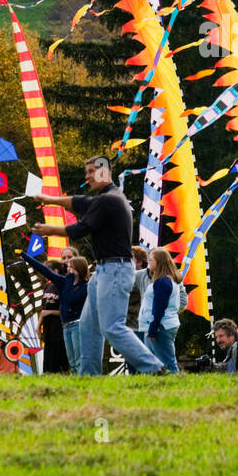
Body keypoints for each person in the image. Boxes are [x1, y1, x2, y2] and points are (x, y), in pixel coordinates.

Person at [30, 157, 164, 375]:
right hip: (103, 270)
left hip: (115, 270)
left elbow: (80, 228)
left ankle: (155, 367)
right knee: (88, 326)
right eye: (87, 172)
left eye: (92, 171)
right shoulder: (105, 198)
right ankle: (89, 377)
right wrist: (48, 198)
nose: (87, 176)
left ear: (105, 172)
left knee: (112, 327)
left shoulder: (109, 200)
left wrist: (50, 230)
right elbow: (78, 201)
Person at [29, 255, 88, 374]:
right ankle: (76, 384)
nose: (68, 269)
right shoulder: (64, 282)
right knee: (72, 360)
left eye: (72, 267)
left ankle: (82, 382)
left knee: (78, 359)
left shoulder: (85, 287)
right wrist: (25, 257)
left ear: (79, 270)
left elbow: (78, 302)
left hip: (77, 325)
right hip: (65, 325)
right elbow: (44, 270)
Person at [140, 248, 184, 374]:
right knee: (154, 363)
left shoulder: (163, 282)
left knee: (168, 363)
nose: (148, 262)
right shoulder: (167, 280)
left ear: (159, 262)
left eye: (151, 259)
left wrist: (153, 330)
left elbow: (159, 308)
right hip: (161, 325)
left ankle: (177, 387)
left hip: (161, 326)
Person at [38, 258, 69, 374]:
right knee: (48, 364)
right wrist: (39, 325)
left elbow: (66, 309)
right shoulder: (47, 286)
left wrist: (51, 312)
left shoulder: (61, 285)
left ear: (55, 271)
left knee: (62, 362)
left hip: (59, 330)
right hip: (48, 330)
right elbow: (43, 309)